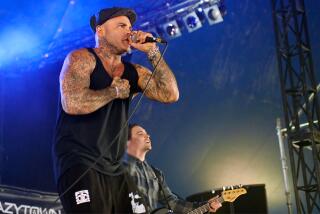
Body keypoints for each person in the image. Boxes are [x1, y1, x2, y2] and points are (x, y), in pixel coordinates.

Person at [52, 7, 179, 213]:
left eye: (130, 27)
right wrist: (111, 92)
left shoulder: (133, 72)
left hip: (114, 166)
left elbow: (170, 94)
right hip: (79, 160)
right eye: (121, 26)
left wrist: (153, 52)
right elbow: (72, 103)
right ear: (101, 31)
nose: (129, 32)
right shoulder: (81, 59)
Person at [125, 124, 222, 213]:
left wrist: (206, 205)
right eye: (140, 133)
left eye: (147, 133)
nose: (148, 136)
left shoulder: (156, 174)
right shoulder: (117, 169)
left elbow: (173, 203)